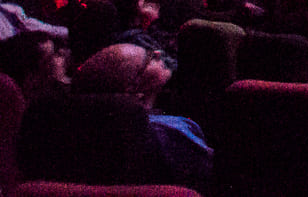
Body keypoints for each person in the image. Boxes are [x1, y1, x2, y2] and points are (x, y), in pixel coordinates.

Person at [70, 41, 214, 192]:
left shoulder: (87, 135)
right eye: (149, 59)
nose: (158, 53)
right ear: (132, 89)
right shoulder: (170, 132)